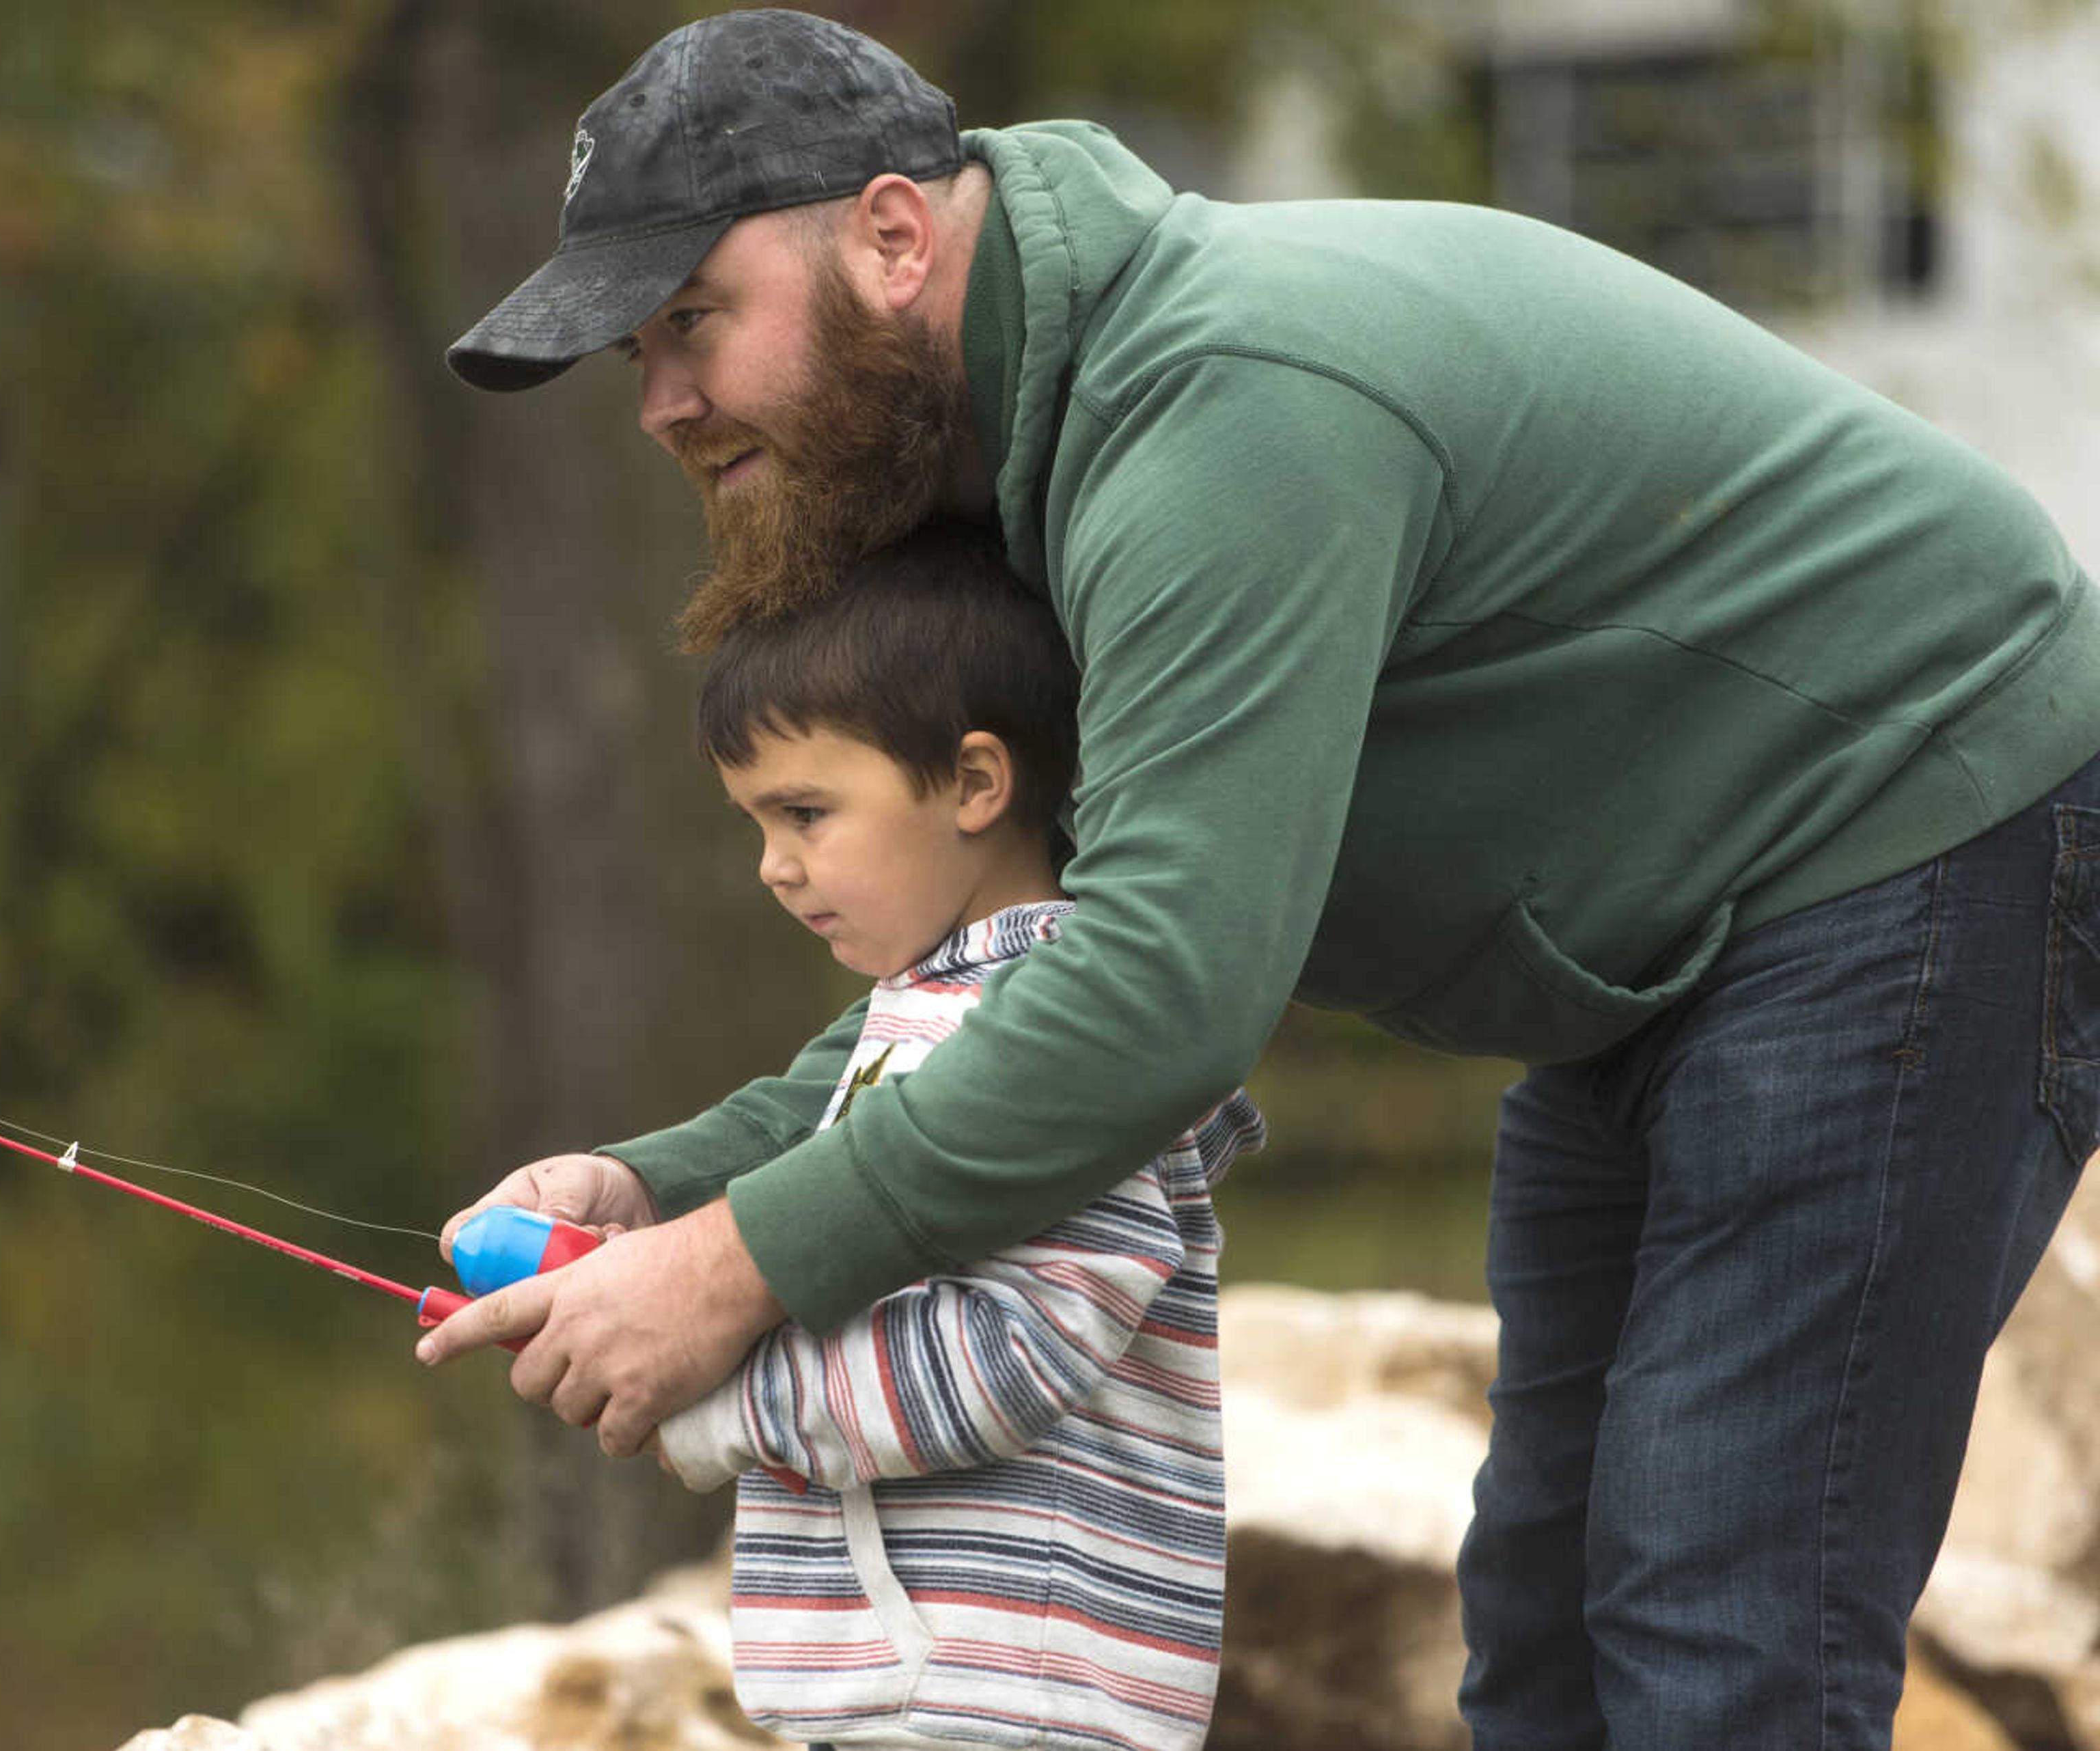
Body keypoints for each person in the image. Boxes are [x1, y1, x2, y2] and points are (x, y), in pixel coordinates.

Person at [421, 10, 2100, 1746]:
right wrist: (667, 1188)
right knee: (1546, 1629)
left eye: (691, 320)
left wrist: (728, 1275)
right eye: (637, 354)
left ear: (896, 238)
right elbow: (1003, 978)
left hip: (1913, 819)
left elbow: (1163, 993)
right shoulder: (995, 476)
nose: (663, 403)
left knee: (1713, 1609)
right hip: (1667, 945)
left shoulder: (1215, 421)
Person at [646, 519, 1261, 1751]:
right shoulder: (922, 1018)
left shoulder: (1052, 1037)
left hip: (1016, 1696)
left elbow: (1015, 1351)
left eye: (807, 812)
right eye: (757, 825)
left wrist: (715, 1395)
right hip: (927, 1694)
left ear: (978, 783)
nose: (775, 866)